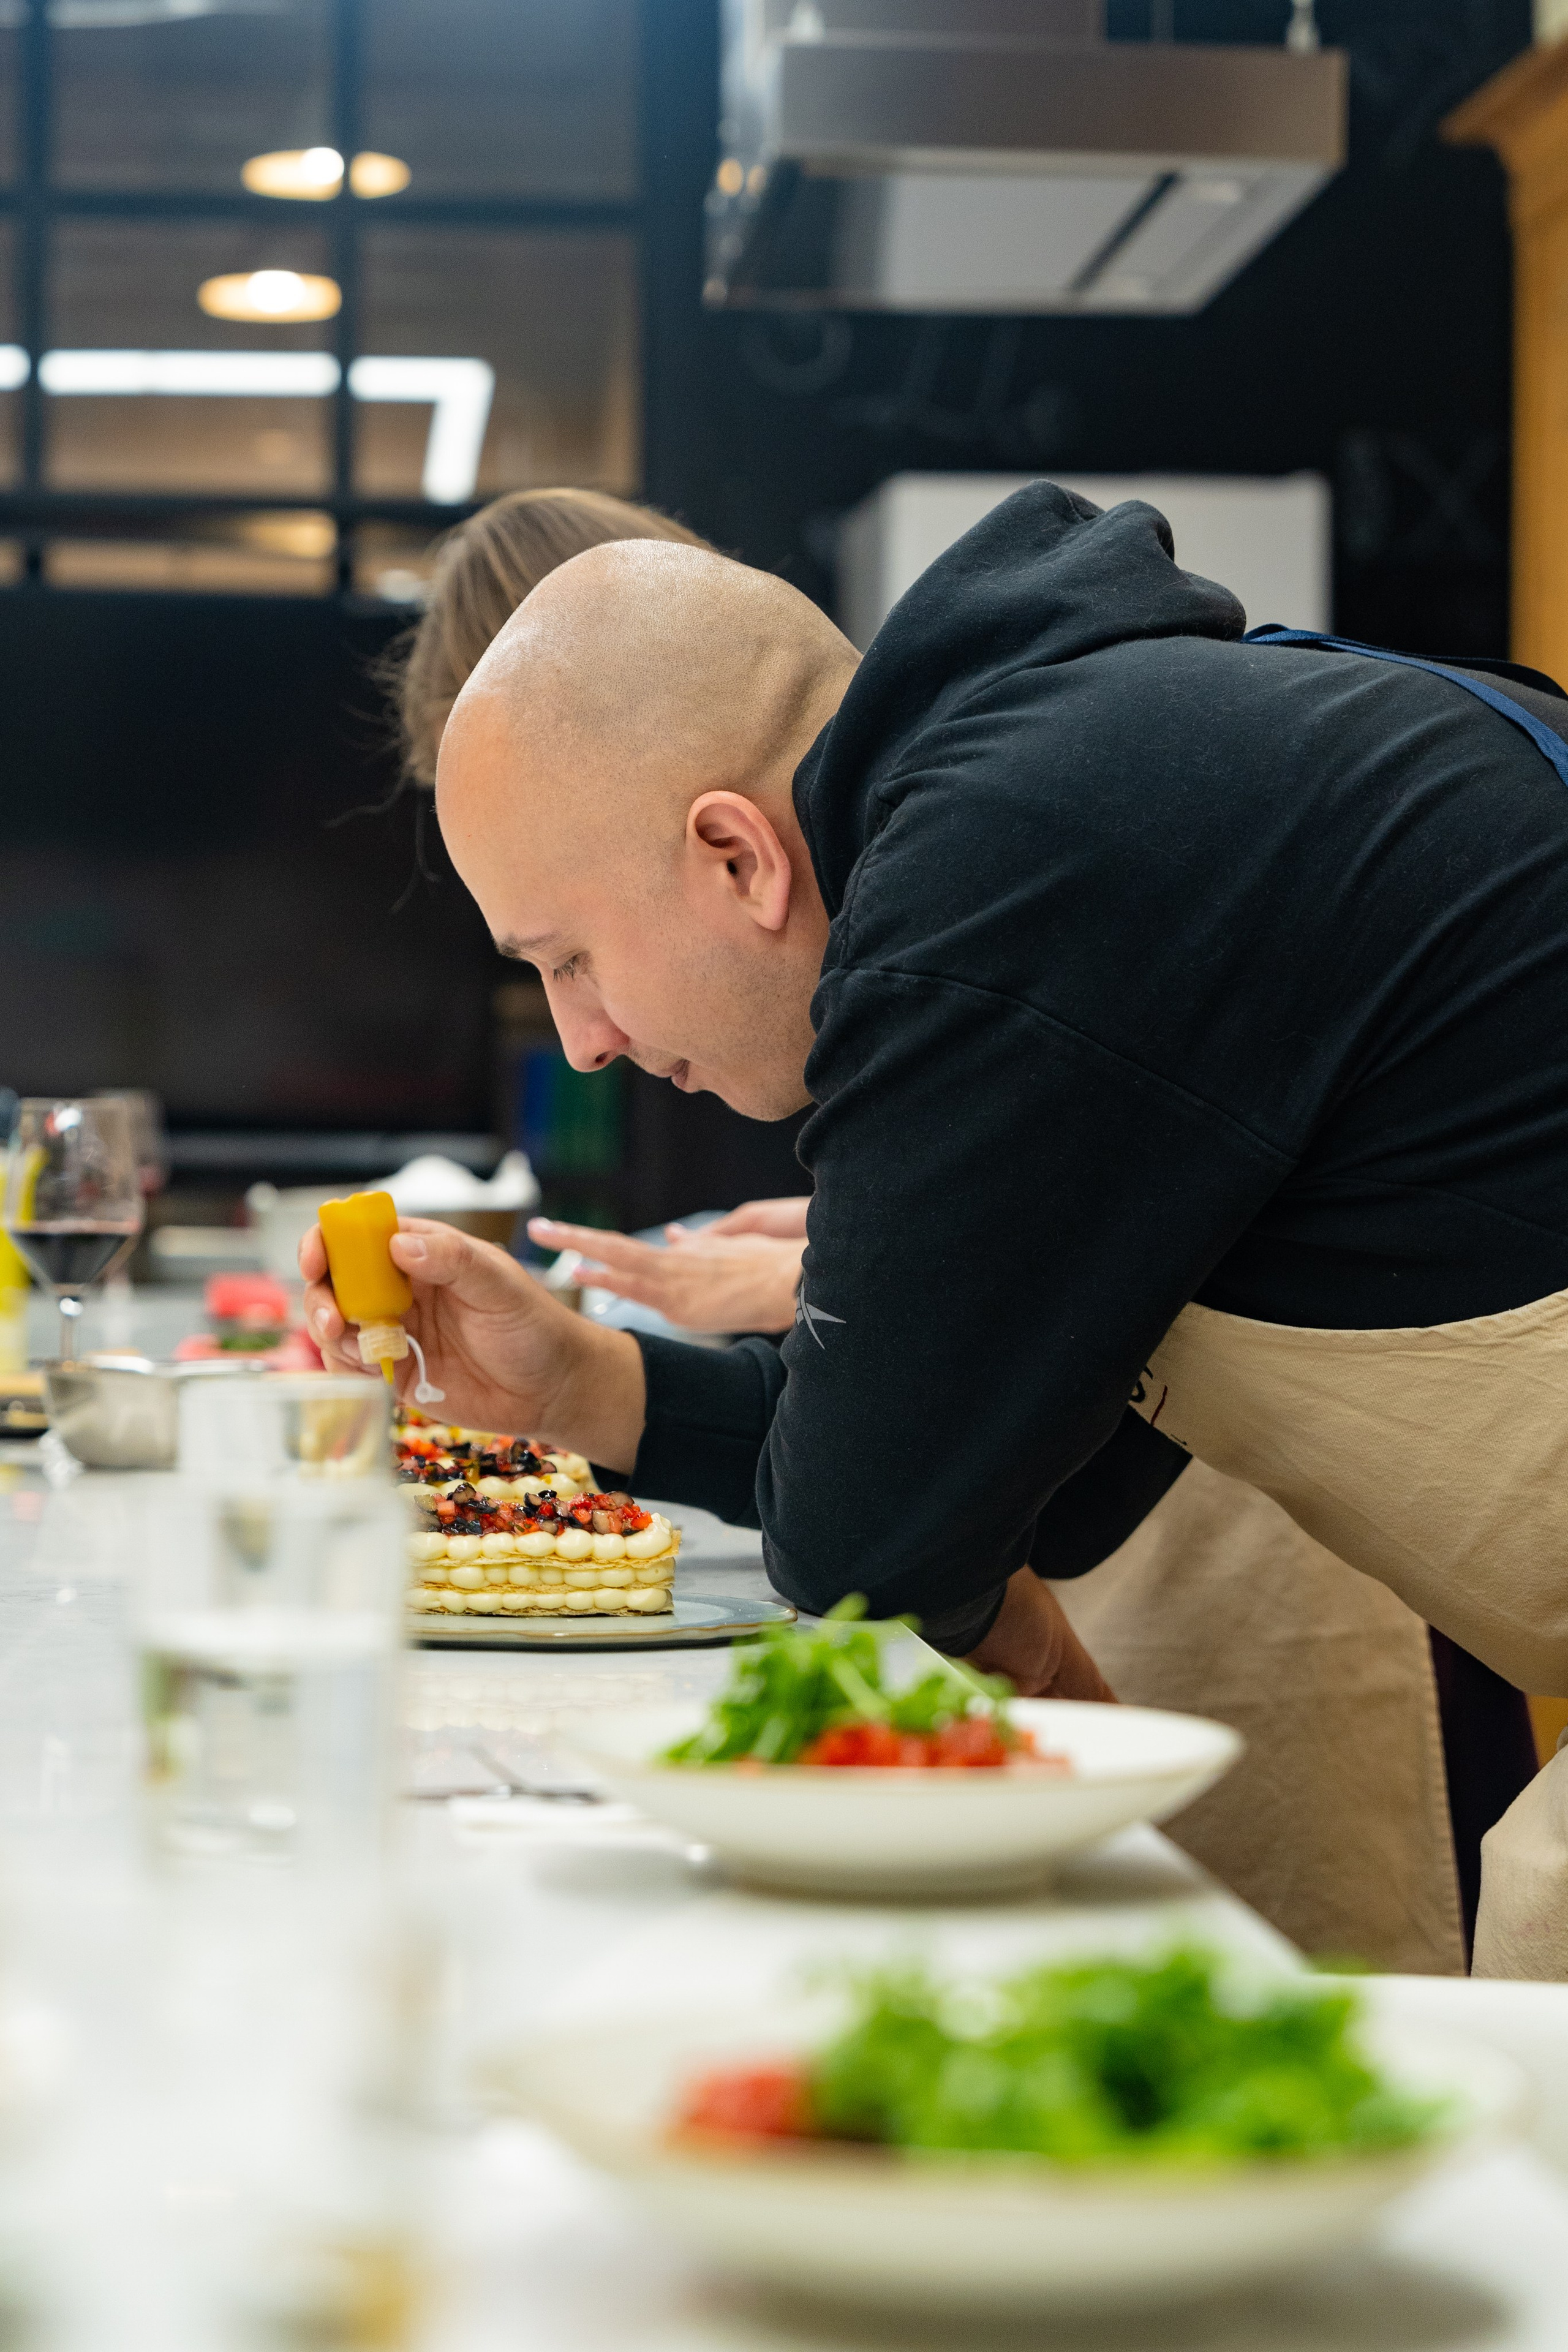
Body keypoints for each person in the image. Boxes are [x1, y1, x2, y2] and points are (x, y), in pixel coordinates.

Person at [325, 483, 1558, 1967]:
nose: (581, 1041)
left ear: (737, 855)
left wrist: (1030, 1656)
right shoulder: (1067, 777)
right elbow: (1050, 1481)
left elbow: (874, 1526)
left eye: (571, 957)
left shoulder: (999, 863)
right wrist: (581, 1385)